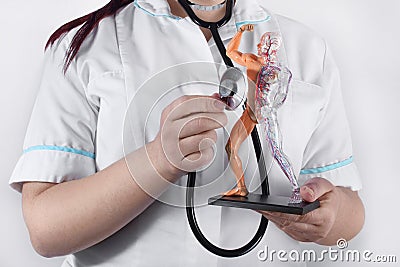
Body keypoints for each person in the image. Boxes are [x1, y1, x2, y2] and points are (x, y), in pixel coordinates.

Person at [9, 0, 365, 266]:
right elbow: (45, 230)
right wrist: (158, 161)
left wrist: (328, 219)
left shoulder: (305, 47)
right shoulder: (85, 46)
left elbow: (348, 210)